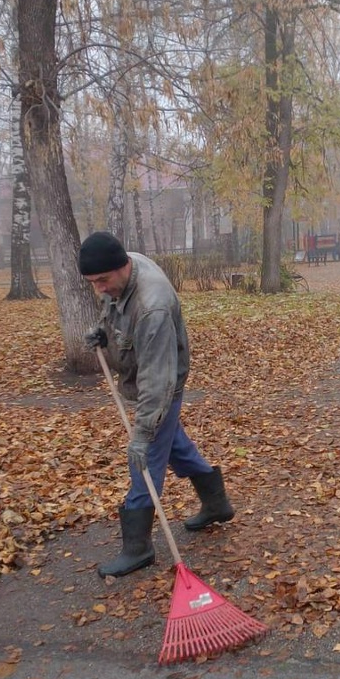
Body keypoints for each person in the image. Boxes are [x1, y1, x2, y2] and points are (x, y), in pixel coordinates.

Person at [78, 231, 234, 578]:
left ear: (123, 267)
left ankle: (138, 548)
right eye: (92, 282)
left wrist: (142, 433)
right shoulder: (121, 271)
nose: (99, 288)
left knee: (145, 457)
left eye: (102, 280)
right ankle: (216, 503)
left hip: (163, 385)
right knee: (174, 444)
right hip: (152, 375)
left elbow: (157, 382)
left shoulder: (154, 306)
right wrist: (104, 333)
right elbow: (116, 310)